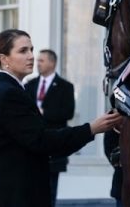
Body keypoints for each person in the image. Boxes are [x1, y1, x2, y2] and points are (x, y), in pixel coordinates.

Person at [0, 29, 121, 207]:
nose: (31, 56)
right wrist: (91, 129)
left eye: (31, 49)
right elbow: (41, 141)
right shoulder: (7, 93)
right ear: (4, 59)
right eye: (23, 51)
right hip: (10, 197)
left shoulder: (7, 88)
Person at [24, 49, 76, 207]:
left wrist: (44, 112)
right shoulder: (30, 85)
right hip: (32, 147)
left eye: (41, 60)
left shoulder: (65, 87)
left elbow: (68, 113)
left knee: (50, 191)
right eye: (37, 60)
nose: (37, 63)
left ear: (52, 63)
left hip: (54, 147)